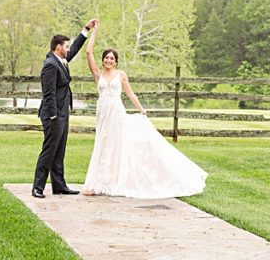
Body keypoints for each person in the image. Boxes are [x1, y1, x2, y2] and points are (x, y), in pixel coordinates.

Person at [81, 24, 207, 198]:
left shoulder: (121, 75)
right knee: (102, 146)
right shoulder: (98, 75)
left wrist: (141, 109)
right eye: (106, 58)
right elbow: (88, 52)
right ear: (103, 60)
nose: (108, 60)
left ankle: (116, 182)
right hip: (103, 114)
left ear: (115, 61)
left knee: (117, 147)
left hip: (117, 114)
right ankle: (97, 183)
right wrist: (93, 31)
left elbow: (130, 94)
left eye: (111, 58)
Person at [33, 18, 98, 198]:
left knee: (59, 150)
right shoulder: (50, 65)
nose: (69, 49)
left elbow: (76, 48)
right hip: (53, 115)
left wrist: (86, 30)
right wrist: (53, 117)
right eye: (66, 46)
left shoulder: (60, 60)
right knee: (49, 150)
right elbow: (49, 94)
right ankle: (37, 187)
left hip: (62, 113)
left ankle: (59, 186)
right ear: (58, 47)